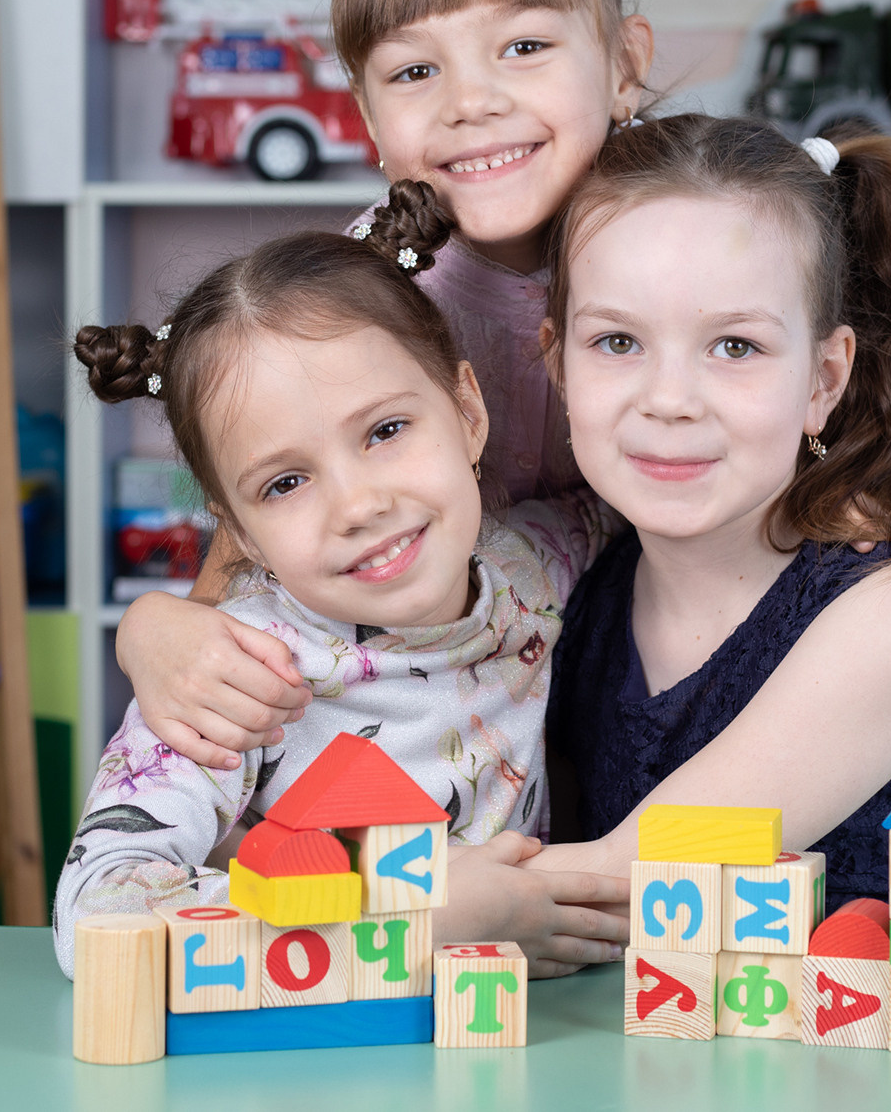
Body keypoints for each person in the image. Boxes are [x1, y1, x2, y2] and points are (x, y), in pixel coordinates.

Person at [113, 0, 891, 782]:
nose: (472, 101)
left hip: (643, 673)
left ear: (625, 61)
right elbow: (257, 521)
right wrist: (154, 630)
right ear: (367, 119)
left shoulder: (695, 222)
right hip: (418, 708)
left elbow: (831, 407)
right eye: (417, 69)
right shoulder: (354, 302)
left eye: (523, 47)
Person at [56, 215, 629, 977]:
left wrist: (826, 489)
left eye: (386, 429)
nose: (357, 504)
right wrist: (423, 914)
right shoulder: (237, 678)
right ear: (244, 533)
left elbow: (621, 503)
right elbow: (97, 918)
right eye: (286, 482)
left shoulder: (527, 567)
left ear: (468, 413)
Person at [530, 114, 891, 908]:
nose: (669, 401)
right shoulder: (578, 597)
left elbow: (630, 877)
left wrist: (407, 901)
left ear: (823, 379)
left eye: (735, 346)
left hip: (876, 1034)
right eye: (618, 342)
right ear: (556, 360)